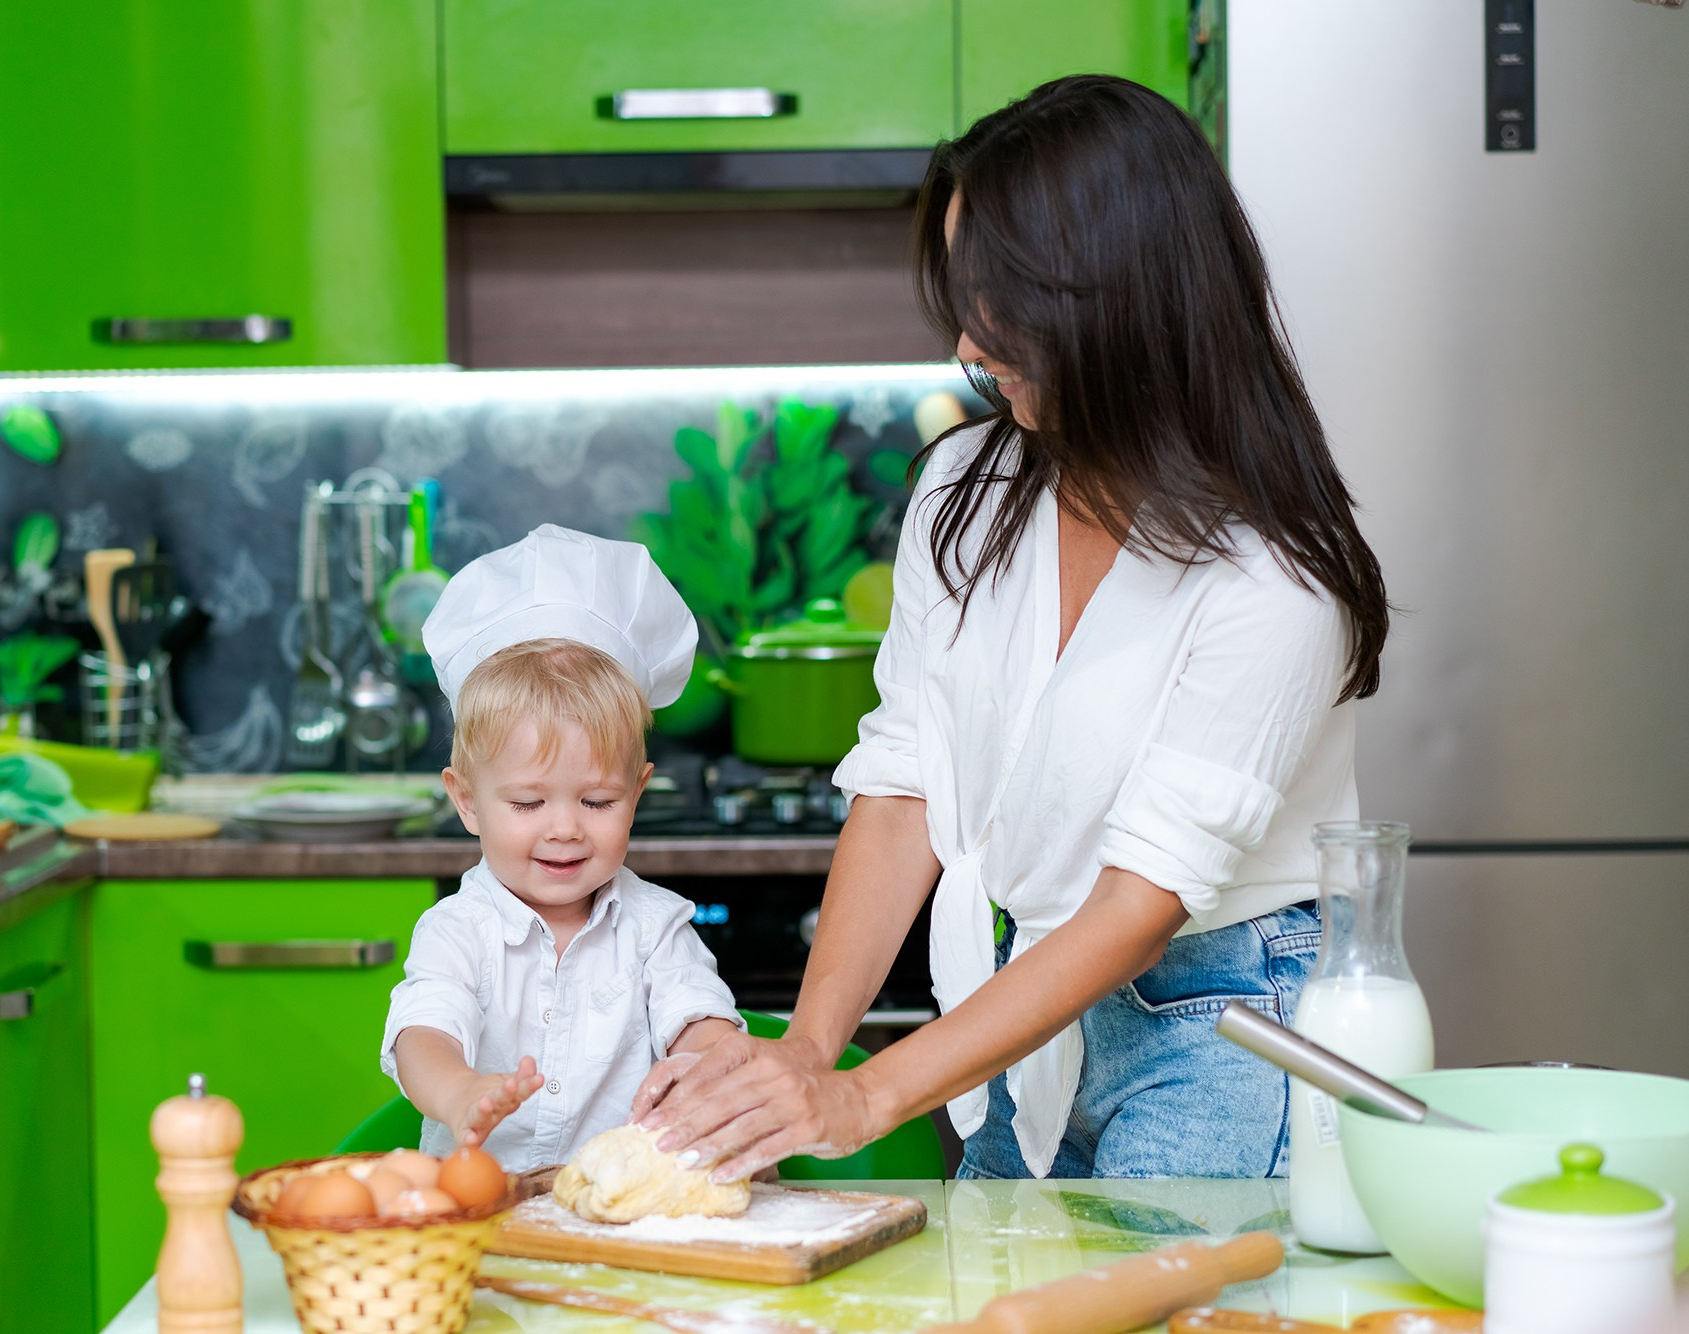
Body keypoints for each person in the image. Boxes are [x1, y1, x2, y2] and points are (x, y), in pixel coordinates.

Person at [634, 75, 1391, 1183]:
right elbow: (905, 787)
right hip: (1020, 1003)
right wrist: (805, 1052)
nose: (967, 341)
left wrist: (864, 1093)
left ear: (1117, 292)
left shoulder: (1273, 578)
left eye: (1001, 300)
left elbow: (1137, 906)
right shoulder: (964, 487)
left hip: (1226, 1017)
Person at [382, 525, 745, 1171]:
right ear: (466, 800)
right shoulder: (457, 930)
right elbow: (425, 1036)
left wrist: (709, 1067)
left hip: (625, 1221)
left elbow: (697, 1018)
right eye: (527, 803)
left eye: (598, 802)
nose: (565, 829)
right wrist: (459, 1091)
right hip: (487, 1219)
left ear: (638, 792)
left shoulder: (658, 927)